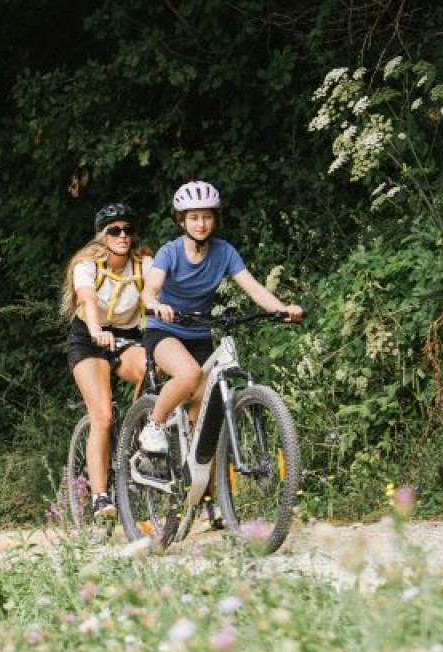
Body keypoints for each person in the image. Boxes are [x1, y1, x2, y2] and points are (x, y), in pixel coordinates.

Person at [138, 180, 302, 455]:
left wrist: (282, 309)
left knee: (205, 410)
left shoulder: (225, 252)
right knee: (189, 374)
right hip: (164, 329)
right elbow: (150, 289)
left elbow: (253, 288)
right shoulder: (170, 252)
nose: (200, 224)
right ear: (182, 221)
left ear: (215, 219)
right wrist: (155, 303)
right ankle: (154, 426)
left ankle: (201, 489)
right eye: (193, 217)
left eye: (206, 217)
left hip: (199, 332)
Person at [60, 202, 153, 520]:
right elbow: (86, 300)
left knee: (151, 367)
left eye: (128, 229)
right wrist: (97, 330)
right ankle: (100, 496)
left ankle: (139, 432)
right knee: (101, 416)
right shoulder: (86, 265)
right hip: (89, 337)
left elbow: (158, 295)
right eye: (114, 230)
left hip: (128, 337)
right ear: (102, 236)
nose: (123, 235)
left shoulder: (143, 264)